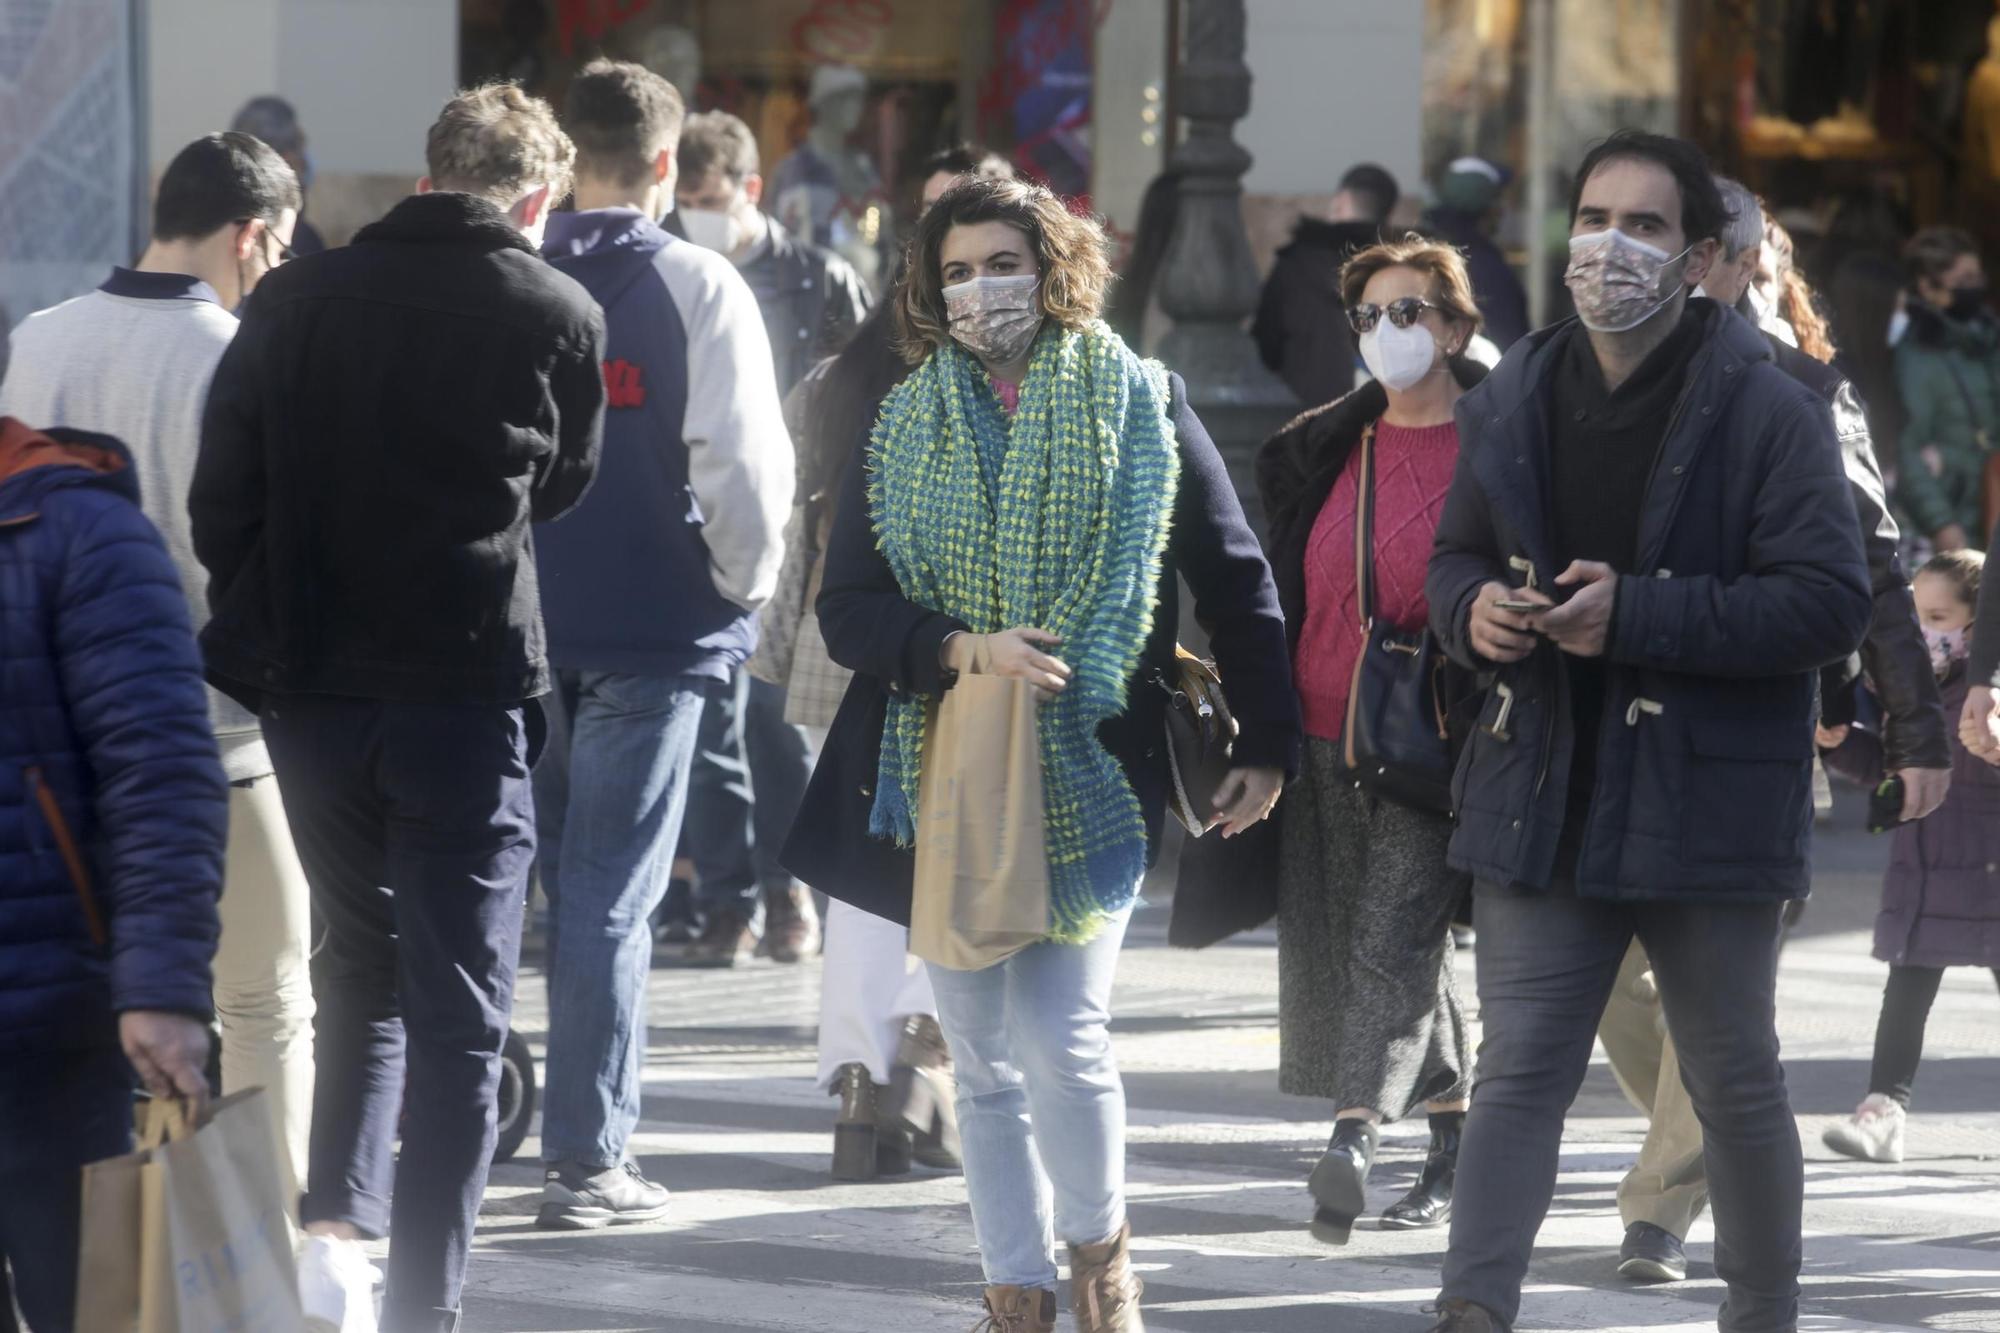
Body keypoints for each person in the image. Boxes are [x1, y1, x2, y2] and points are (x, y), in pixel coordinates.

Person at [789, 174, 1300, 1331]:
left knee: (1061, 1031)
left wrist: (1267, 744)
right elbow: (851, 610)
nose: (980, 291)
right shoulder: (901, 422)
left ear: (1055, 264)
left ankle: (1100, 1266)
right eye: (957, 273)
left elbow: (1236, 582)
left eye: (1001, 264)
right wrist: (961, 647)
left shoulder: (1142, 401)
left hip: (1093, 759)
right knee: (978, 1055)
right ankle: (1013, 1292)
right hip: (942, 766)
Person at [1424, 130, 1871, 1333]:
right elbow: (1451, 554)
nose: (1608, 246)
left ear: (1698, 258)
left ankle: (1759, 1311)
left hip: (1704, 801)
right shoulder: (1515, 384)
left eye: (1644, 225)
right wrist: (1473, 612)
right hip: (1542, 785)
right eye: (1591, 216)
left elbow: (1826, 600)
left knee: (1732, 1079)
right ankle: (1471, 1310)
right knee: (1518, 1077)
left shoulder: (1769, 404)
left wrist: (1636, 611)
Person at [191, 83, 604, 1333]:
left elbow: (225, 500)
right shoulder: (553, 307)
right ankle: (426, 1303)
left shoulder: (292, 298)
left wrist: (277, 630)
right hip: (465, 693)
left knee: (356, 968)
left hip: (314, 697)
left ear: (430, 172)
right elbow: (565, 483)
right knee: (460, 1014)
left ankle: (335, 1258)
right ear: (533, 197)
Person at [1585, 178, 1960, 1287]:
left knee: (1722, 984)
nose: (1665, 263)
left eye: (1688, 244)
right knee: (1607, 976)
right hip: (1608, 723)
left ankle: (1657, 1205)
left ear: (1741, 261)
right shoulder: (1597, 368)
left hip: (1755, 730)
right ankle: (1710, 1106)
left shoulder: (1803, 392)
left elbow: (1876, 567)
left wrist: (1913, 725)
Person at [0, 132, 317, 1206]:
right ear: (253, 235)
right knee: (268, 998)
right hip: (221, 727)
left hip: (51, 741)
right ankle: (269, 1229)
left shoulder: (37, 340)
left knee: (95, 1014)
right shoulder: (242, 349)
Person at [532, 59, 791, 1227]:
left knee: (510, 885)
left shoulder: (514, 276)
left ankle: (471, 1113)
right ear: (665, 166)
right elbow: (742, 468)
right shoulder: (696, 282)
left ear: (561, 147)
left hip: (520, 627)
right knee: (607, 898)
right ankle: (588, 1156)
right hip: (653, 623)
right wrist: (733, 593)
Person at [1256, 238, 1484, 1242]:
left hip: (1429, 740)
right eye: (1368, 316)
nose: (1385, 333)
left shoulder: (1500, 444)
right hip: (1316, 731)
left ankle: (1351, 1139)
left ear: (1453, 326)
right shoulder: (1320, 445)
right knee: (1358, 945)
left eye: (1407, 311)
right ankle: (1454, 1149)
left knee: (1389, 941)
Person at [0, 396, 227, 1332]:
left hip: (47, 1028)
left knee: (88, 1308)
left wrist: (163, 989)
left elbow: (161, 771)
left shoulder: (79, 529)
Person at [668, 107, 867, 967]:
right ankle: (725, 895)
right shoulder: (671, 272)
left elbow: (853, 396)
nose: (694, 213)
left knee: (773, 722)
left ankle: (788, 889)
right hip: (693, 516)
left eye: (708, 197)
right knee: (710, 723)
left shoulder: (817, 279)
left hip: (790, 523)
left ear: (751, 191)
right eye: (682, 199)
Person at [1820, 550, 2000, 1163]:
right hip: (1925, 881)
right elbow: (1893, 777)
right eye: (1914, 615)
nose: (1923, 630)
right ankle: (1883, 1110)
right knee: (1903, 1001)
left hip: (1987, 881)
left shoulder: (1987, 698)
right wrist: (1845, 746)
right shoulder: (1914, 695)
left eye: (1939, 616)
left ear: (1979, 624)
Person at [1254, 163, 1399, 406]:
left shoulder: (1296, 265)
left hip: (1304, 414)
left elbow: (1266, 344)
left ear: (1341, 202)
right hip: (1377, 411)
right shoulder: (1399, 270)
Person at [1895, 226, 2000, 552]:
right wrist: (1942, 524)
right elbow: (1908, 451)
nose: (1976, 287)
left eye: (1978, 277)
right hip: (1960, 520)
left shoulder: (1989, 337)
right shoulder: (1914, 356)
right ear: (1928, 286)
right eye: (1965, 279)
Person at [1423, 157, 1530, 349]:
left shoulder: (1423, 250)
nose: (1503, 209)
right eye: (1499, 198)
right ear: (1490, 208)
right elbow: (1510, 345)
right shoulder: (1488, 270)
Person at [231, 95, 328, 255]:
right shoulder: (299, 239)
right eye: (299, 145)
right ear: (286, 159)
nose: (304, 160)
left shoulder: (221, 228)